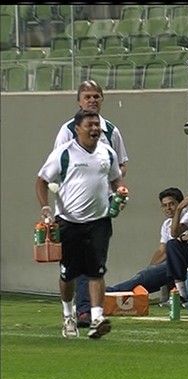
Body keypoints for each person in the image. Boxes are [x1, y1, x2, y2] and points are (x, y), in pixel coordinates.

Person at [36, 108, 126, 339]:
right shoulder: (64, 154)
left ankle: (96, 318)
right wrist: (46, 208)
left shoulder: (107, 153)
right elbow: (42, 180)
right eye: (90, 125)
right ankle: (68, 315)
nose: (95, 129)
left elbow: (116, 178)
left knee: (97, 271)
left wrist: (121, 193)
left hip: (100, 221)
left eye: (97, 125)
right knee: (68, 274)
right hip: (69, 222)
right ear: (78, 129)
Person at [53, 80, 130, 328]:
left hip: (101, 206)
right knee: (72, 267)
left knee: (95, 261)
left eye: (96, 96)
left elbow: (121, 164)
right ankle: (74, 311)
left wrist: (116, 188)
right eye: (87, 96)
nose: (92, 100)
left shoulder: (112, 131)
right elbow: (59, 168)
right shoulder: (67, 130)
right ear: (79, 100)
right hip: (72, 209)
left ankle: (90, 313)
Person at [106, 187, 184, 295]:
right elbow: (161, 251)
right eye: (164, 205)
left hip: (184, 261)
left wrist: (150, 271)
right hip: (171, 263)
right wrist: (150, 268)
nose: (168, 208)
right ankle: (117, 294)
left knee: (147, 275)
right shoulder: (166, 224)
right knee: (146, 275)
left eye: (171, 204)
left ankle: (111, 292)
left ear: (180, 204)